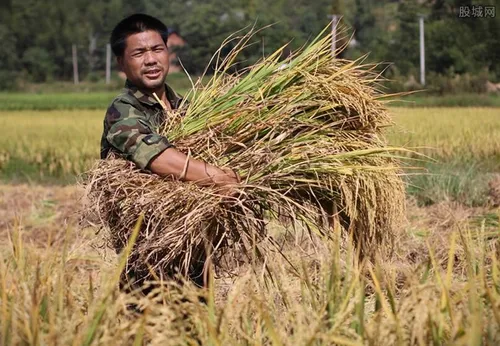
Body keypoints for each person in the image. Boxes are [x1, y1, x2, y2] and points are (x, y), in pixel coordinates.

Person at [100, 13, 240, 295]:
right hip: (148, 257)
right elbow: (156, 156)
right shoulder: (123, 110)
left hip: (196, 251)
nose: (150, 60)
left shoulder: (187, 109)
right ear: (121, 63)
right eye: (139, 53)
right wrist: (220, 178)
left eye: (157, 49)